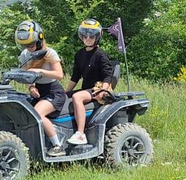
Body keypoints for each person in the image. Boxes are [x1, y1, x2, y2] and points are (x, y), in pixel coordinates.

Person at [15, 21, 67, 157]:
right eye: (25, 45)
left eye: (31, 45)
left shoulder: (50, 53)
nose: (29, 48)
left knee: (37, 113)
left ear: (40, 39)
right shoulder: (25, 55)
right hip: (39, 92)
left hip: (53, 92)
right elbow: (27, 76)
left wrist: (40, 71)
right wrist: (31, 87)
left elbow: (59, 75)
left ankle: (58, 145)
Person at [64, 19, 113, 146]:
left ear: (97, 36)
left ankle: (80, 134)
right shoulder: (79, 54)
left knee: (77, 97)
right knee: (61, 98)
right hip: (86, 89)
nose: (88, 38)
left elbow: (108, 75)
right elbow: (75, 77)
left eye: (92, 35)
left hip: (97, 89)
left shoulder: (100, 54)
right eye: (85, 35)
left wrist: (104, 90)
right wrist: (64, 93)